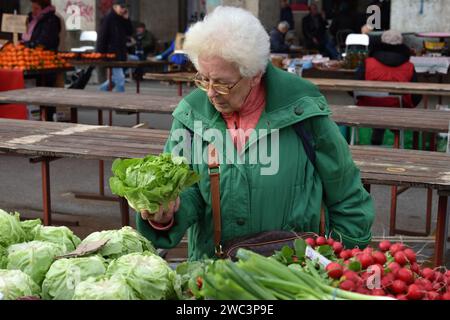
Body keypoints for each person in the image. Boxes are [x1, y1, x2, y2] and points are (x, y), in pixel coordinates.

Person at [137, 6, 375, 260]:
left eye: (222, 83)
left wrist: (340, 265)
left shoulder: (304, 112)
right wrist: (166, 215)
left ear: (255, 75)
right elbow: (189, 192)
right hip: (216, 277)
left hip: (296, 277)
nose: (210, 92)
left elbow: (347, 197)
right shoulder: (191, 116)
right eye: (203, 78)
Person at [355, 30, 422, 145]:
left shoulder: (368, 62)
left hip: (368, 108)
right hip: (398, 111)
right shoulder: (409, 66)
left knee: (377, 105)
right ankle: (396, 141)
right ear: (401, 45)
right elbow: (416, 96)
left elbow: (353, 89)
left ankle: (376, 135)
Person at [22, 0, 61, 121]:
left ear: (43, 7)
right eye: (32, 8)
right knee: (35, 96)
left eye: (36, 8)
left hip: (47, 62)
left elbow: (45, 41)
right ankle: (37, 118)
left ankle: (48, 120)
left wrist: (28, 45)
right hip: (32, 60)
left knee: (47, 95)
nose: (33, 11)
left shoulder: (51, 20)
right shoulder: (31, 19)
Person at [97, 0, 133, 93]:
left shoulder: (122, 18)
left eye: (125, 8)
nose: (123, 10)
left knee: (114, 79)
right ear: (115, 6)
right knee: (120, 79)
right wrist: (100, 55)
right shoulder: (108, 19)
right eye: (121, 7)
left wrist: (127, 19)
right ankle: (121, 102)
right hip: (111, 54)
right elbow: (102, 37)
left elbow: (130, 32)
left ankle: (100, 92)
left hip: (121, 54)